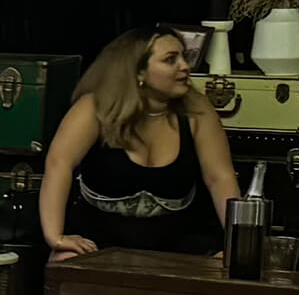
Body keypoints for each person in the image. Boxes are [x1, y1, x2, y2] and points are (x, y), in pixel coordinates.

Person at [39, 26, 238, 262]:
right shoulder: (94, 107)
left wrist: (237, 242)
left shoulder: (197, 110)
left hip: (180, 246)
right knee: (65, 259)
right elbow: (59, 164)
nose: (185, 66)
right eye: (170, 59)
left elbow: (220, 177)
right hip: (98, 243)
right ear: (138, 71)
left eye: (184, 57)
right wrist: (55, 237)